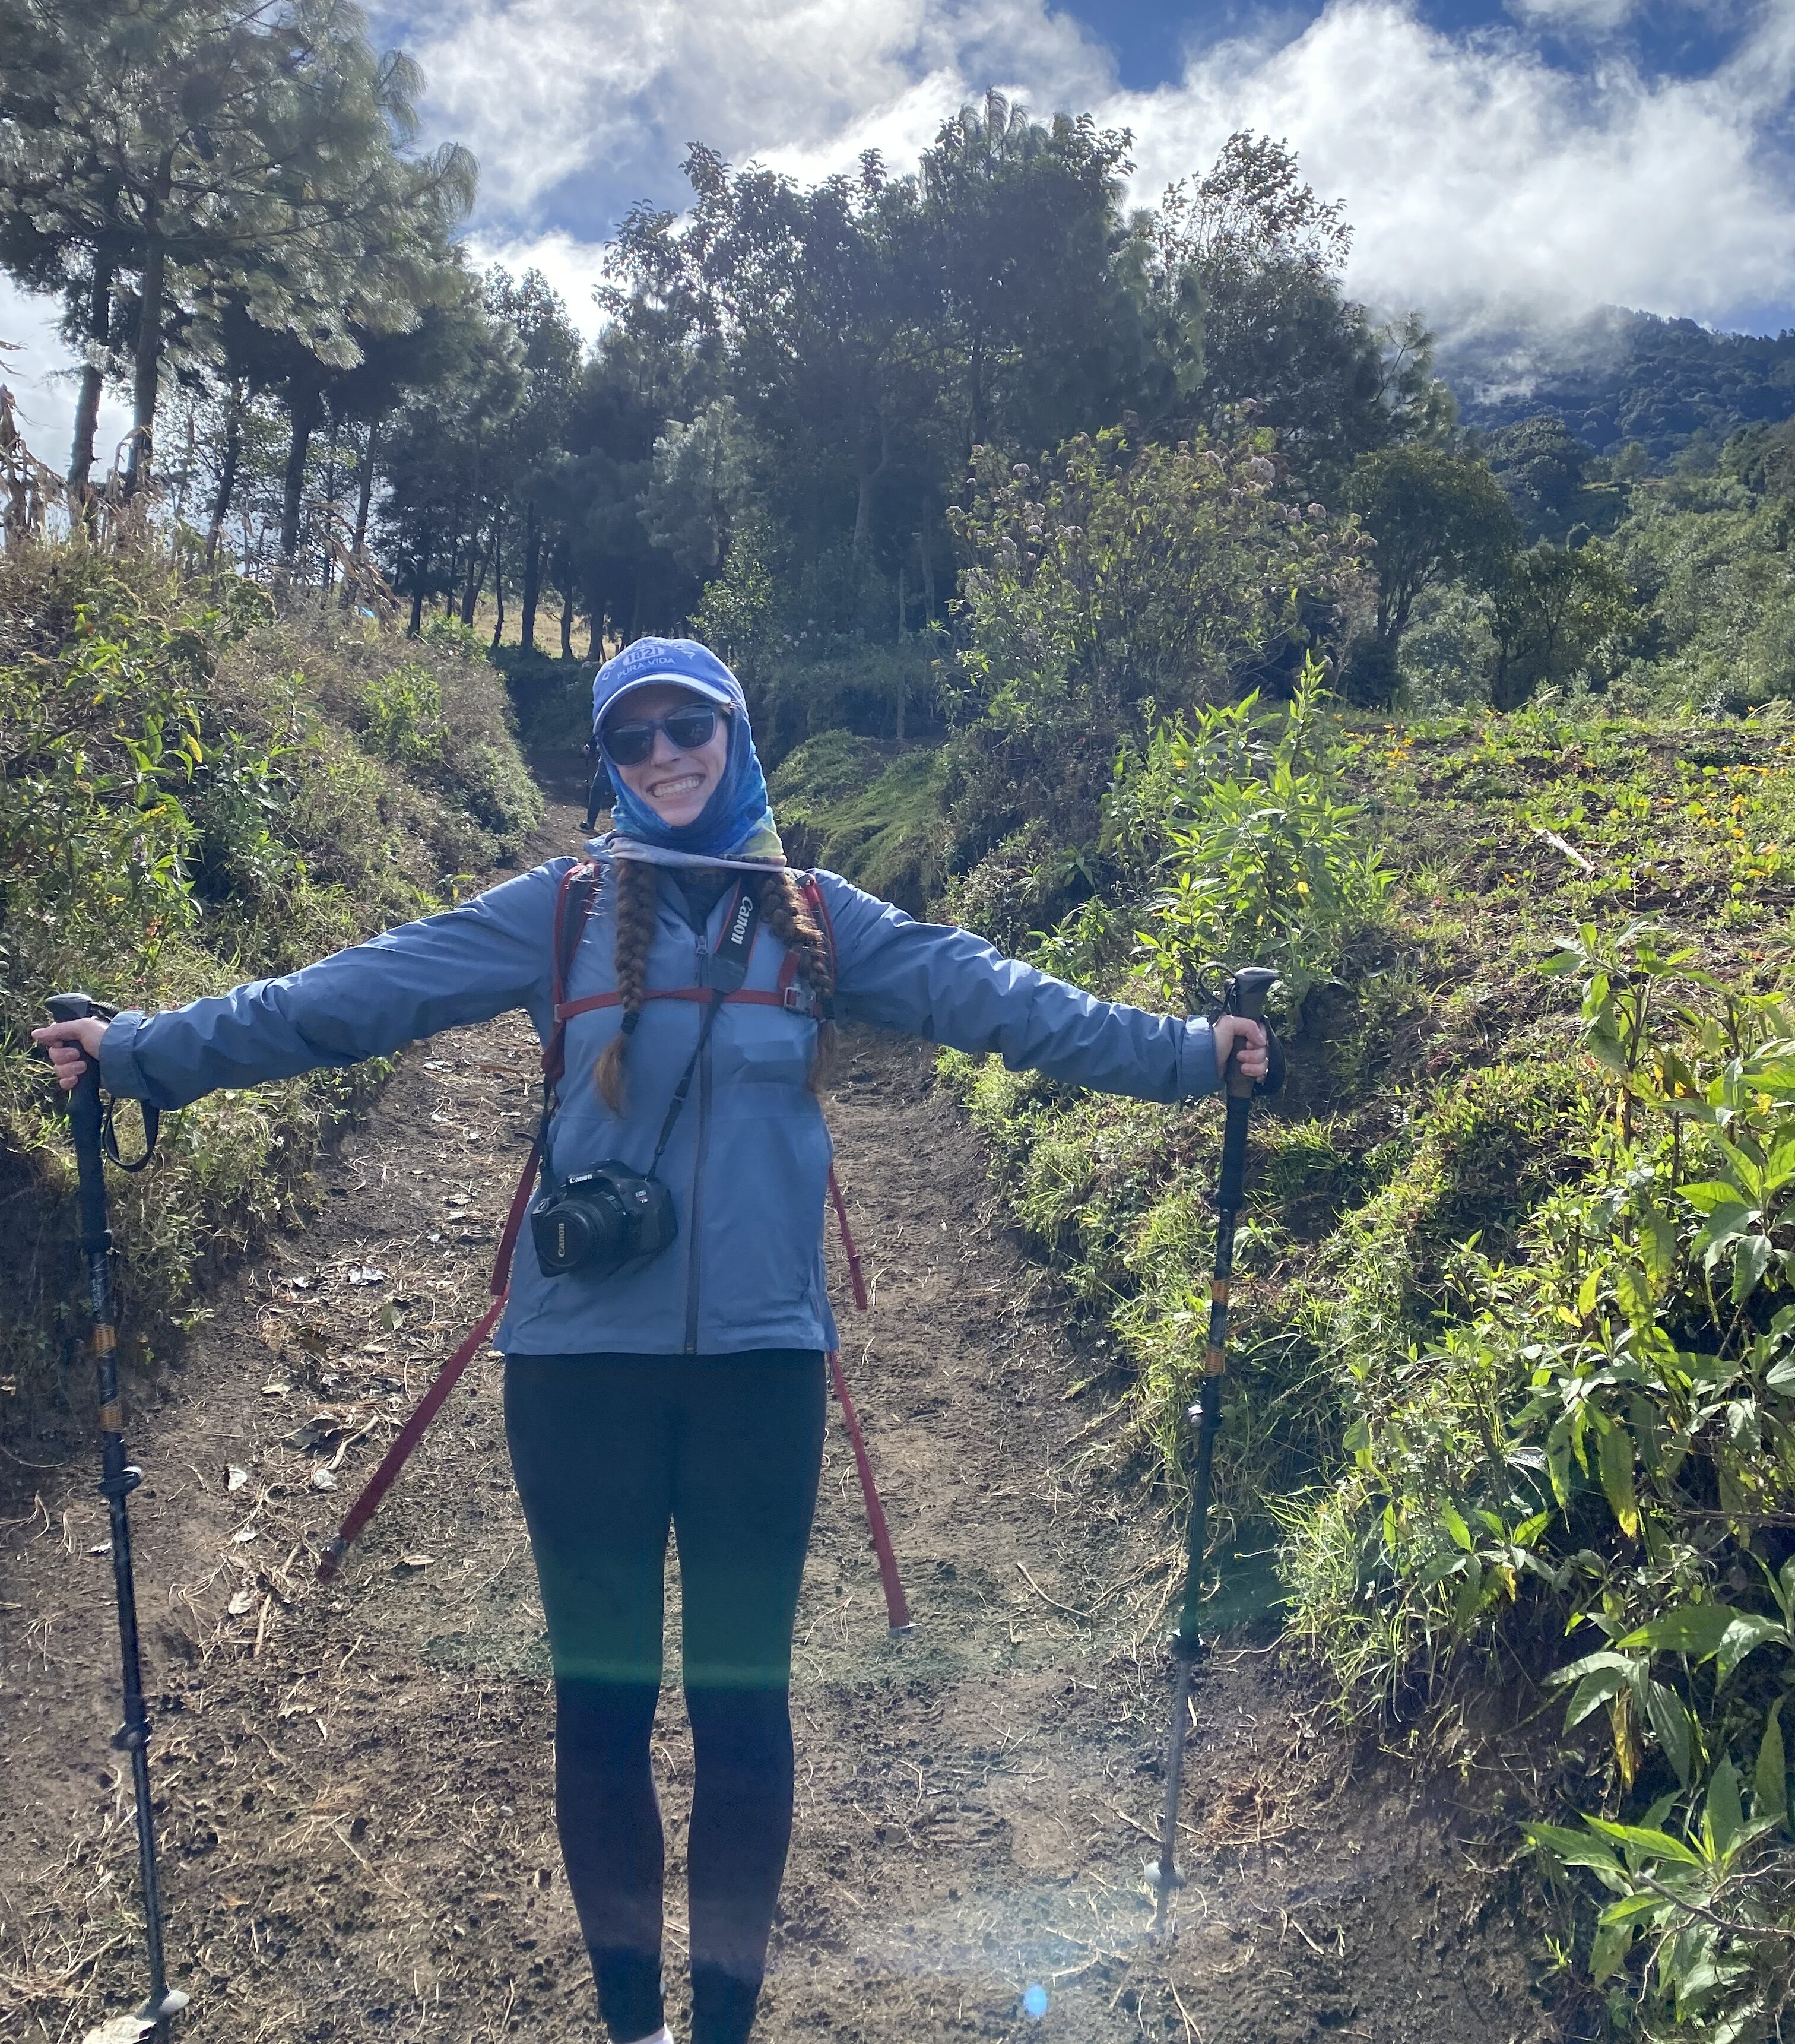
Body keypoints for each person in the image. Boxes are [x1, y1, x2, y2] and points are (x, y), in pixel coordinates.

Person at [36, 636, 1268, 2044]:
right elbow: (346, 997)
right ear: (609, 766)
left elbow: (1001, 997)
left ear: (737, 738)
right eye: (636, 740)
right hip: (579, 1382)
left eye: (693, 727)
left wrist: (1187, 1052)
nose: (668, 755)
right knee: (602, 1715)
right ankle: (632, 2029)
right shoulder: (556, 914)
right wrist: (140, 1052)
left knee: (746, 1721)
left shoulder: (818, 921)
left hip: (763, 1375)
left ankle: (724, 2032)